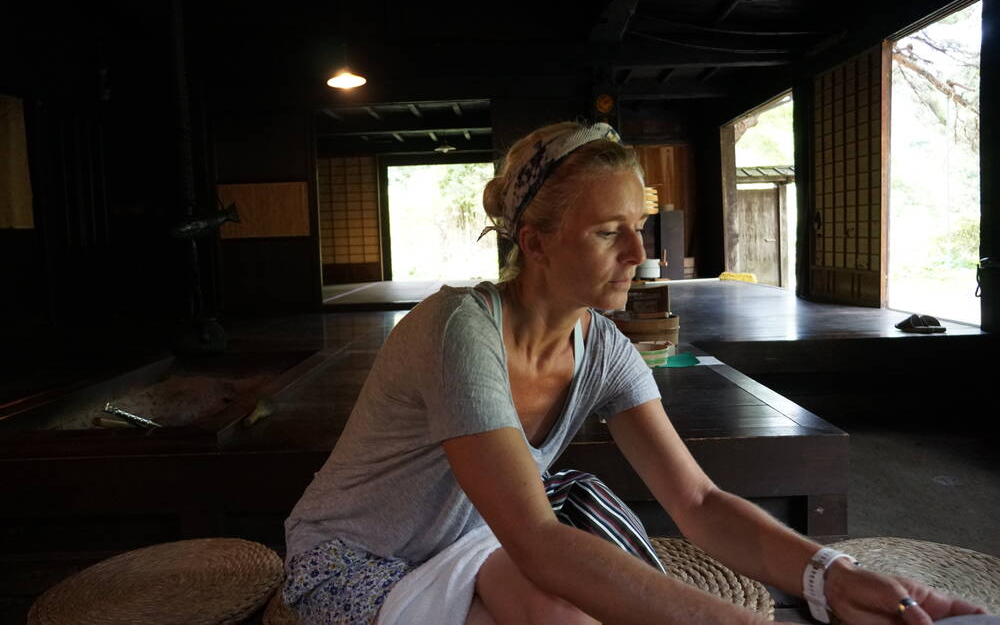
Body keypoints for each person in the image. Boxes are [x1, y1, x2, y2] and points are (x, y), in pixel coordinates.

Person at [283, 121, 990, 624]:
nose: (638, 251)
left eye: (638, 225)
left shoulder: (606, 348)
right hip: (356, 560)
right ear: (535, 242)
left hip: (473, 538)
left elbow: (700, 503)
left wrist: (830, 576)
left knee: (566, 606)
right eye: (605, 231)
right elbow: (537, 537)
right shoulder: (455, 330)